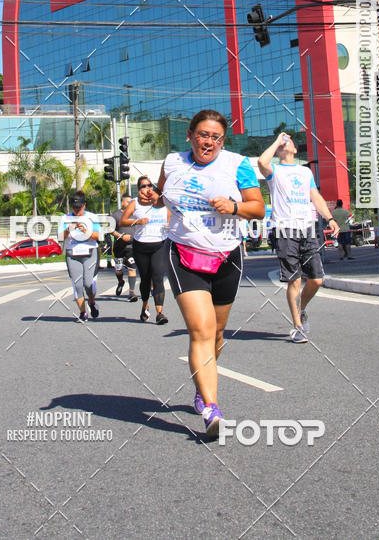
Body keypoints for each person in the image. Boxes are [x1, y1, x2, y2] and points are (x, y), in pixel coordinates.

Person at [153, 110, 265, 436]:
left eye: (216, 137)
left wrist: (234, 207)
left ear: (222, 141)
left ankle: (202, 387)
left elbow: (257, 207)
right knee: (201, 330)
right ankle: (212, 408)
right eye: (203, 135)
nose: (209, 142)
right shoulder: (172, 162)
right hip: (183, 253)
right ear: (190, 135)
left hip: (226, 255)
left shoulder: (238, 165)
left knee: (217, 334)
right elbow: (163, 197)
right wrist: (153, 197)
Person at [258, 133, 339, 344]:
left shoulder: (305, 172)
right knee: (294, 280)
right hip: (284, 230)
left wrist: (329, 218)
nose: (287, 143)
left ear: (294, 149)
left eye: (289, 142)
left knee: (316, 279)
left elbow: (315, 197)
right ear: (278, 150)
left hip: (307, 229)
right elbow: (261, 162)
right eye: (282, 144)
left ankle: (301, 308)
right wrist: (277, 140)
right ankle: (298, 326)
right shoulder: (274, 171)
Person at [120, 177, 169, 323]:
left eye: (149, 185)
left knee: (158, 277)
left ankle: (160, 313)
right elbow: (123, 220)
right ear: (139, 188)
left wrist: (169, 226)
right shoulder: (135, 203)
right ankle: (145, 305)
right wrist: (138, 221)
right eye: (143, 186)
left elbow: (171, 219)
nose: (147, 188)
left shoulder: (162, 201)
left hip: (160, 244)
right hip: (141, 245)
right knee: (146, 279)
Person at [59, 191, 101, 321]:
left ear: (84, 206)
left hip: (90, 253)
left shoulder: (92, 217)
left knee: (88, 284)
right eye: (75, 208)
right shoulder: (65, 218)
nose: (77, 210)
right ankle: (83, 313)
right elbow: (60, 237)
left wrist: (85, 230)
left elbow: (98, 236)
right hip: (73, 254)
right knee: (77, 285)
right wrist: (69, 229)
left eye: (80, 207)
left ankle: (92, 302)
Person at [110, 195, 139, 302]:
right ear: (122, 202)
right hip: (119, 247)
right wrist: (121, 236)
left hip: (131, 247)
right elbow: (110, 229)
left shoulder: (135, 215)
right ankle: (120, 281)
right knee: (118, 269)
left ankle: (131, 293)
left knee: (132, 268)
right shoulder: (115, 215)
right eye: (128, 201)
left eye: (131, 202)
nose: (129, 203)